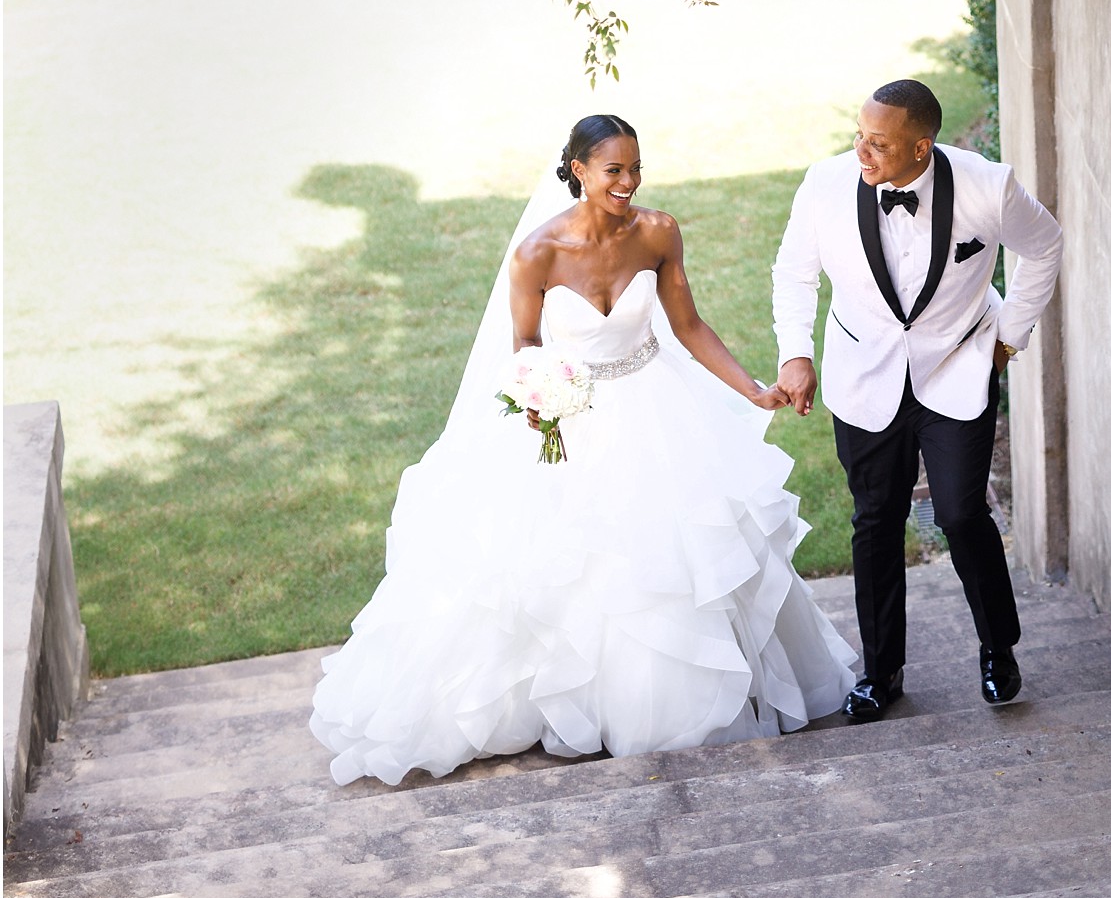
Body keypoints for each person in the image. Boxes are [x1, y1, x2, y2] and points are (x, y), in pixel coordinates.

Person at [310, 113, 857, 782]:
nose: (628, 182)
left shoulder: (657, 231)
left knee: (672, 561)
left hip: (657, 411)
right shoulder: (537, 252)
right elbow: (524, 349)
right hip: (567, 420)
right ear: (577, 169)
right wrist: (546, 419)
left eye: (636, 168)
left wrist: (752, 389)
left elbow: (688, 324)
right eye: (613, 170)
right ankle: (570, 701)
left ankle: (664, 706)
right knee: (563, 566)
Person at [771, 78, 1063, 720]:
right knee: (875, 520)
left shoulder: (989, 187)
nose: (862, 152)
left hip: (958, 365)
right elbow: (793, 270)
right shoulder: (825, 185)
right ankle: (882, 671)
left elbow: (1044, 246)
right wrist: (796, 352)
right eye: (859, 136)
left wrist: (1009, 337)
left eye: (878, 144)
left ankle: (998, 650)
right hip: (863, 371)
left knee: (960, 514)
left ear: (922, 147)